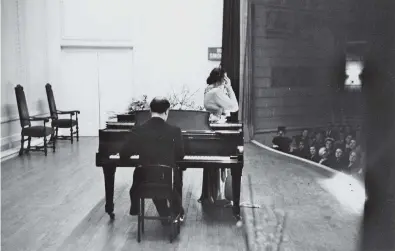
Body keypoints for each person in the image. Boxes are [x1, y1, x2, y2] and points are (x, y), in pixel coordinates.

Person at [120, 97, 185, 224]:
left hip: (144, 179)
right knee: (173, 177)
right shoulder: (174, 131)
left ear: (150, 111)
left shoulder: (138, 130)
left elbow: (123, 155)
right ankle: (176, 212)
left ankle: (167, 215)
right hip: (168, 179)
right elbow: (180, 155)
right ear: (167, 112)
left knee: (152, 175)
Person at [198, 67, 239, 204]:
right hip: (217, 127)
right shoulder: (216, 92)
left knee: (212, 162)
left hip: (210, 125)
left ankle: (211, 194)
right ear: (222, 79)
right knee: (224, 157)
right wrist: (230, 87)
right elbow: (234, 107)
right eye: (225, 78)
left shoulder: (208, 89)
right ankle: (219, 195)